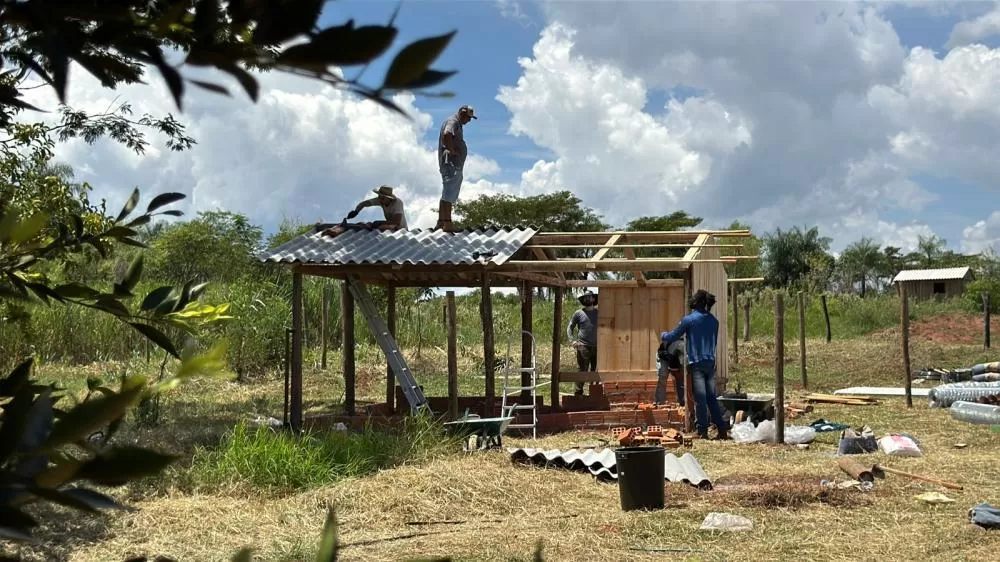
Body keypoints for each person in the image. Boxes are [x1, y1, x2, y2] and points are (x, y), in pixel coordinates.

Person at [659, 289, 729, 440]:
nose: (692, 300)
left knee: (700, 398)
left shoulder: (689, 320)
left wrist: (663, 335)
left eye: (694, 299)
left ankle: (701, 431)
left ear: (698, 302)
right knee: (711, 398)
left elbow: (673, 336)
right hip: (710, 362)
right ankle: (722, 430)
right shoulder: (714, 321)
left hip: (697, 363)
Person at [436, 104, 476, 231]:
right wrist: (452, 150)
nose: (468, 120)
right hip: (451, 164)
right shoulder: (453, 121)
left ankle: (441, 222)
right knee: (449, 192)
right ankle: (447, 223)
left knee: (447, 192)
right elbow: (447, 134)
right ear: (461, 113)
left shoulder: (456, 123)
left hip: (451, 163)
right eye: (468, 117)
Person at [322, 185, 407, 237]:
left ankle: (340, 230)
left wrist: (379, 223)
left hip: (399, 229)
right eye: (379, 197)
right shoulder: (381, 200)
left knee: (372, 226)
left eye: (383, 198)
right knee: (365, 225)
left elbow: (396, 222)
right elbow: (364, 204)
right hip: (389, 225)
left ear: (389, 198)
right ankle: (338, 230)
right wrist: (356, 211)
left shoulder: (397, 203)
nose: (380, 200)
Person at [566, 290, 598, 396]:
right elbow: (570, 327)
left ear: (593, 299)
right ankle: (578, 393)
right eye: (585, 297)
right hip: (583, 346)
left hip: (597, 346)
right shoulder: (578, 313)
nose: (588, 298)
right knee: (582, 370)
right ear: (583, 300)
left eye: (589, 296)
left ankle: (593, 393)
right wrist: (572, 341)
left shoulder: (599, 313)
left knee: (595, 370)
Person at [655, 337, 685, 407]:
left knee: (680, 379)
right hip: (663, 356)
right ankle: (659, 402)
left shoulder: (687, 349)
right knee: (663, 377)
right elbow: (674, 370)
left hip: (675, 356)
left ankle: (682, 402)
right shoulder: (675, 353)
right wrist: (677, 372)